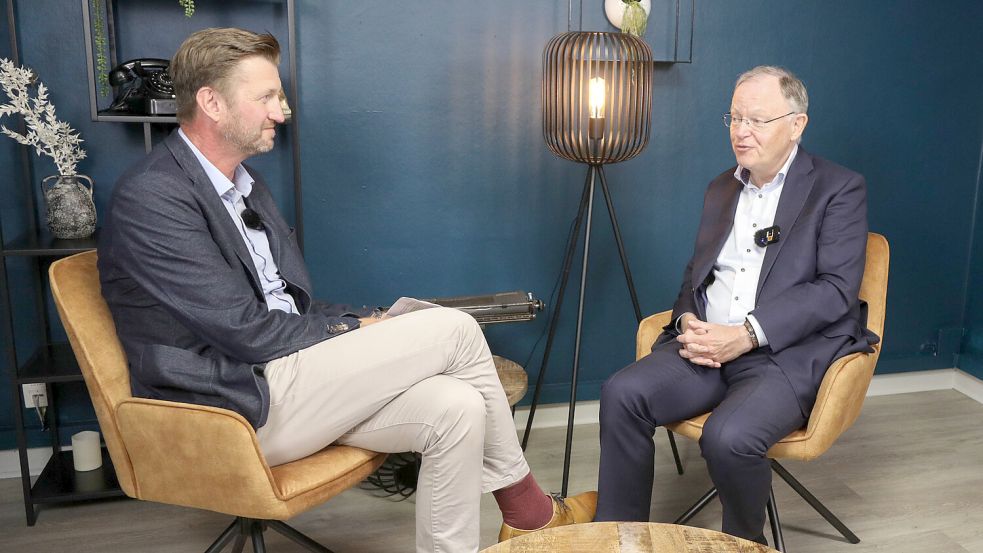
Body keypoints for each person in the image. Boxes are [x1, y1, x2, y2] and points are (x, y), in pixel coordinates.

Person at [98, 27, 594, 553]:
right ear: (212, 102)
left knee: (458, 407)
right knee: (455, 328)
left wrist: (371, 321)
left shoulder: (245, 184)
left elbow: (289, 305)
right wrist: (353, 329)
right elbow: (244, 332)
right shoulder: (154, 196)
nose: (281, 111)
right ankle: (532, 514)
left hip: (286, 377)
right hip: (235, 404)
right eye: (266, 96)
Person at [594, 66, 879, 543]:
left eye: (758, 120)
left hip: (780, 355)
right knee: (622, 394)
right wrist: (687, 321)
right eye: (735, 117)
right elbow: (696, 273)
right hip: (705, 347)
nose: (741, 131)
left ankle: (744, 543)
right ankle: (622, 538)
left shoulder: (838, 188)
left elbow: (835, 290)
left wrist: (745, 334)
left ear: (797, 124)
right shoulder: (721, 187)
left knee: (728, 438)